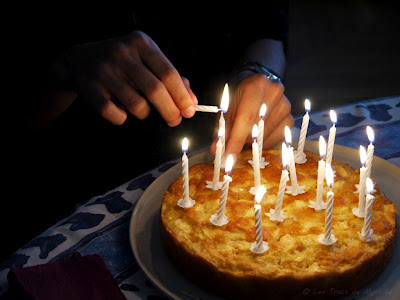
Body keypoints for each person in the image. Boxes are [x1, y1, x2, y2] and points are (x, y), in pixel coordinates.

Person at [4, 3, 292, 260]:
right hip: (77, 177)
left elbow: (267, 27)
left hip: (218, 149)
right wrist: (67, 68)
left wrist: (258, 73)